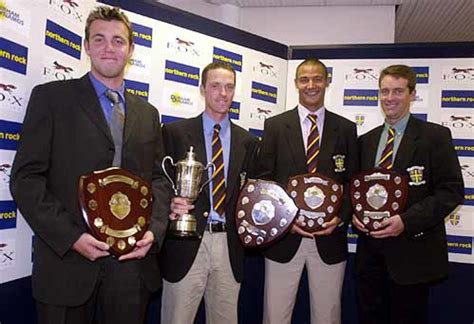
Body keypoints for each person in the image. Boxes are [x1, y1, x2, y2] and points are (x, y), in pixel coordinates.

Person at [10, 6, 168, 324]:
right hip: (66, 266)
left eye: (118, 41)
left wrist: (154, 229)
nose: (109, 48)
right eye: (99, 39)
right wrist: (71, 238)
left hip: (130, 269)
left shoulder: (148, 113)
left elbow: (158, 180)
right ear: (86, 46)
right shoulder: (51, 99)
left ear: (131, 50)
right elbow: (25, 179)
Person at [353, 64, 464, 324]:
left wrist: (406, 221)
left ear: (412, 94)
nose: (389, 98)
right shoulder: (365, 141)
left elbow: (451, 191)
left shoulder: (435, 137)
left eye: (398, 91)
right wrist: (355, 215)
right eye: (384, 91)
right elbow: (356, 190)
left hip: (413, 259)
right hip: (370, 260)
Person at [258, 58, 358, 324]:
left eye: (317, 79)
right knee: (275, 316)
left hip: (329, 239)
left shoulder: (346, 129)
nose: (311, 85)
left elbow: (353, 184)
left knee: (327, 317)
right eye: (304, 79)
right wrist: (285, 223)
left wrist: (341, 218)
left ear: (327, 82)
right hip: (284, 238)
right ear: (296, 84)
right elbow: (265, 182)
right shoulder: (275, 126)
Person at [158, 62, 259, 324]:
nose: (223, 93)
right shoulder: (175, 133)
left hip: (229, 244)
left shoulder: (248, 142)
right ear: (203, 89)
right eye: (215, 86)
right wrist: (170, 203)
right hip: (187, 242)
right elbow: (159, 182)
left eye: (229, 87)